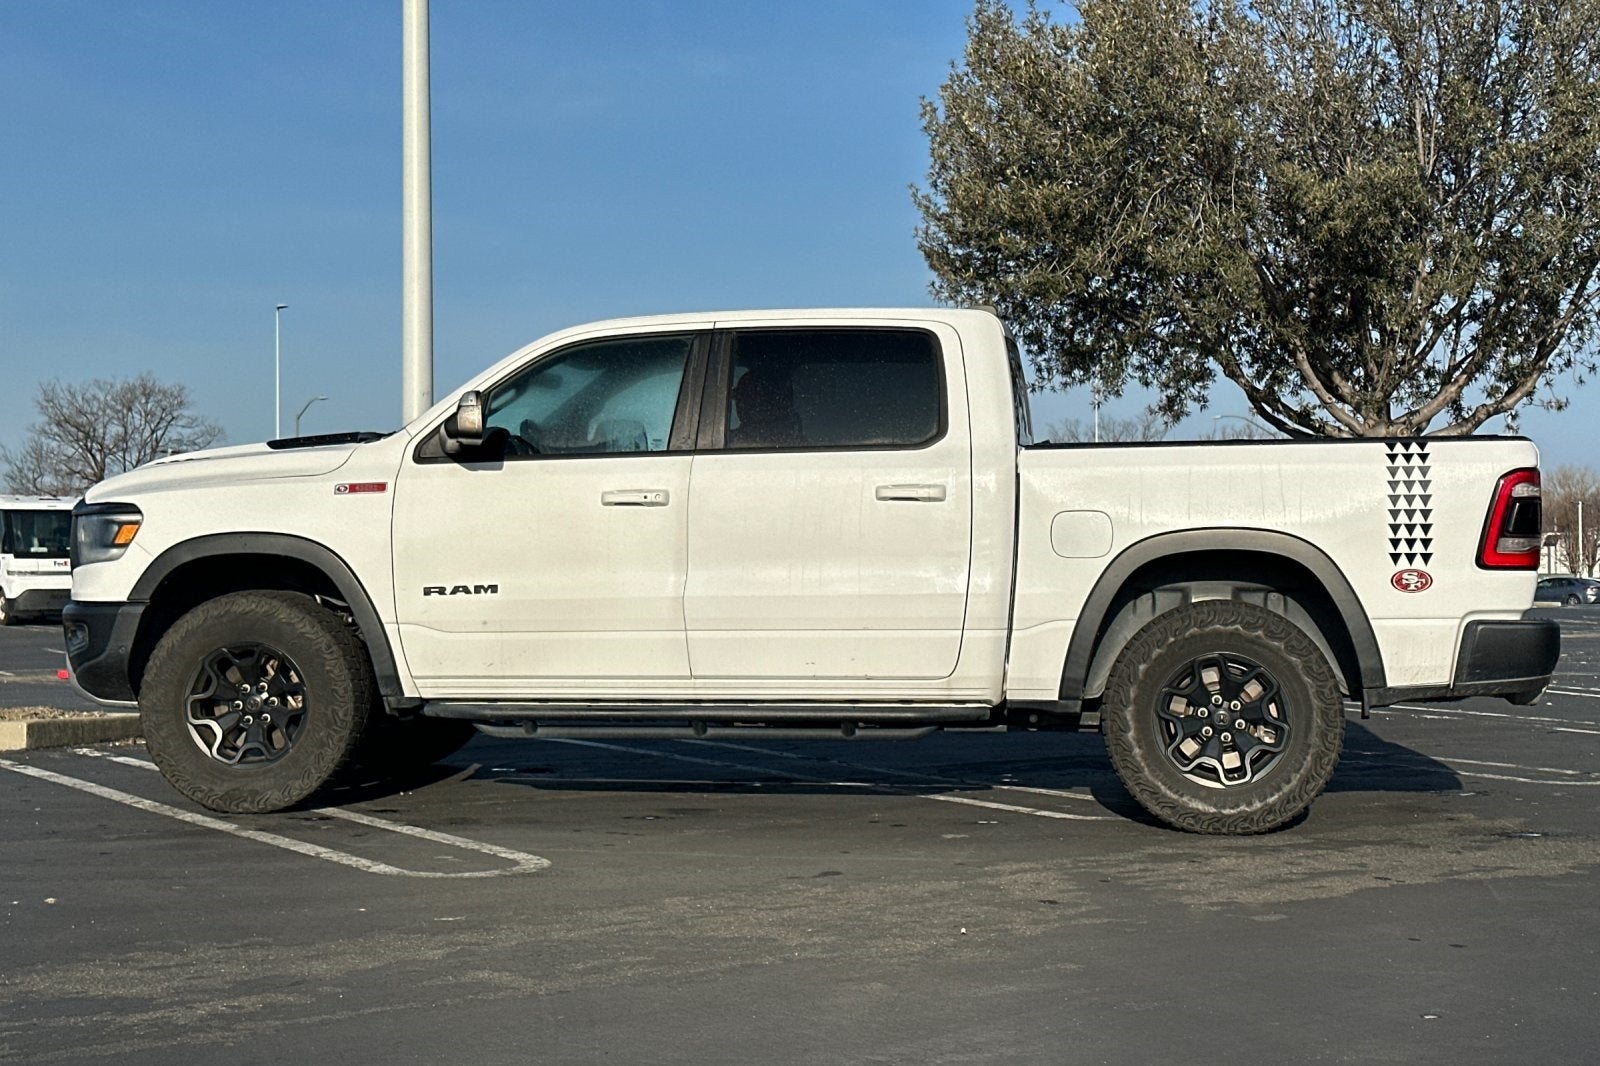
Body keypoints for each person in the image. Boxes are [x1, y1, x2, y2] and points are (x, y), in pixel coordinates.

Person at [727, 365, 802, 448]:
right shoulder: (800, 445)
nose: (739, 401)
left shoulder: (730, 444)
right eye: (738, 395)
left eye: (747, 395)